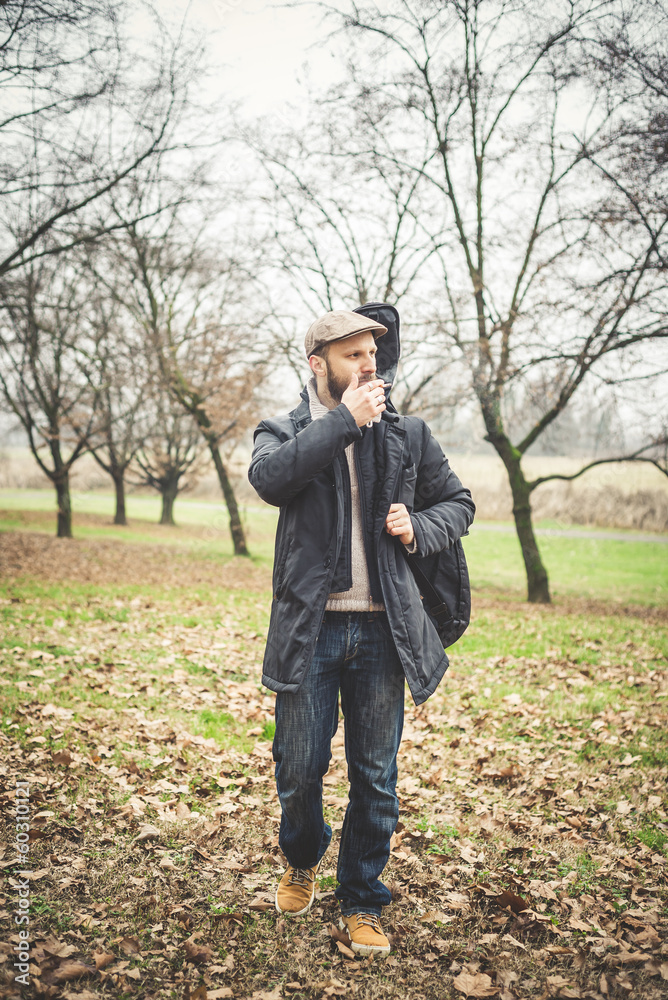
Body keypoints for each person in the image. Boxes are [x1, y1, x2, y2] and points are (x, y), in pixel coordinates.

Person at [248, 306, 474, 957]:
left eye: (371, 354)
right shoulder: (284, 431)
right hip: (309, 634)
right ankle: (302, 856)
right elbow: (270, 480)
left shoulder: (409, 435)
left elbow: (459, 504)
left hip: (383, 636)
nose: (368, 365)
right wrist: (346, 421)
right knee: (299, 770)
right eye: (351, 355)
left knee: (375, 775)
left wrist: (419, 527)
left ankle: (362, 899)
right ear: (318, 363)